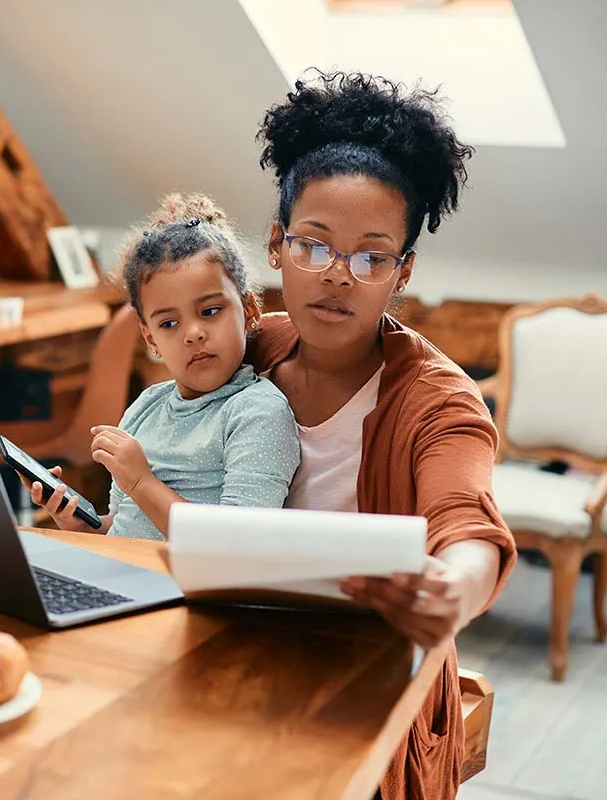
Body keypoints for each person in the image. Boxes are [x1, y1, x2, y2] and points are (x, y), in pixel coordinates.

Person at [250, 71, 517, 799]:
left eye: (371, 257)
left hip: (365, 690)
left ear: (402, 271)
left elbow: (468, 524)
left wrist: (451, 590)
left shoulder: (439, 401)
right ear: (276, 245)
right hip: (236, 653)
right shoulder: (249, 351)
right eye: (314, 245)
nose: (337, 275)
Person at [28, 193, 301, 540]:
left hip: (190, 591)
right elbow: (130, 527)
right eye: (169, 324)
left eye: (210, 311)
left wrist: (141, 481)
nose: (193, 334)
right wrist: (85, 525)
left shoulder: (257, 412)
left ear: (249, 310)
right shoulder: (145, 409)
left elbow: (236, 544)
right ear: (150, 338)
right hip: (129, 577)